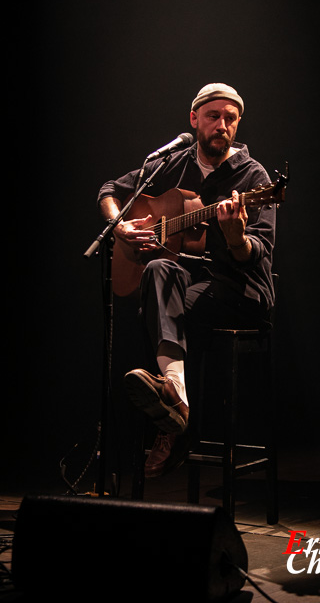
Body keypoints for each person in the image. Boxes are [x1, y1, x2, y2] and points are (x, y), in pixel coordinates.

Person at [97, 83, 277, 478]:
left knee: (159, 305)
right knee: (159, 272)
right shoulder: (172, 164)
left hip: (241, 288)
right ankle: (178, 398)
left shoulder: (253, 176)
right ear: (194, 119)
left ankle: (173, 415)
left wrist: (236, 238)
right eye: (213, 116)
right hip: (191, 285)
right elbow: (109, 190)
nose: (222, 125)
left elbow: (258, 252)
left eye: (230, 119)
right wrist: (120, 224)